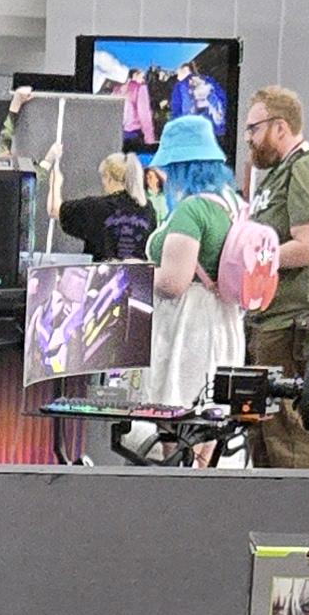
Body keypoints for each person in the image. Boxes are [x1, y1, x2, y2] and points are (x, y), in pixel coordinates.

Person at [239, 85, 309, 469]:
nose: (249, 138)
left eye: (253, 128)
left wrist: (251, 259)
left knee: (289, 441)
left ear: (280, 126)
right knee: (266, 438)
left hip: (294, 325)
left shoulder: (308, 169)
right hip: (272, 323)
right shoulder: (279, 175)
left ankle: (296, 525)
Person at [137, 112, 246, 421]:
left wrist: (136, 274)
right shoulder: (233, 204)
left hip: (189, 326)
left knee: (179, 410)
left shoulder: (192, 210)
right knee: (212, 416)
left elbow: (173, 283)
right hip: (225, 318)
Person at [52, 147, 157, 262]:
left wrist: (55, 184)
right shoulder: (147, 209)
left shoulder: (95, 208)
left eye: (103, 177)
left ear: (109, 177)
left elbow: (55, 210)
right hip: (137, 277)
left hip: (103, 277)